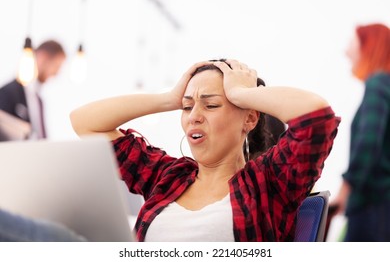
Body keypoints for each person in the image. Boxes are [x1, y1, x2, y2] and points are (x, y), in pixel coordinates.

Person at [70, 59, 340, 242]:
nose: (193, 117)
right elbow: (85, 124)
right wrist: (169, 99)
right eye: (187, 108)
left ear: (249, 119)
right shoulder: (166, 177)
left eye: (211, 106)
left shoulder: (268, 183)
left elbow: (317, 120)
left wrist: (243, 94)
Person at [330, 23, 390, 241]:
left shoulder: (378, 84)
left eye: (352, 44)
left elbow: (368, 142)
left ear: (369, 47)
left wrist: (345, 192)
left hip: (373, 205)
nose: (346, 52)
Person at [0, 39, 66, 140]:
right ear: (43, 57)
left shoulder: (39, 101)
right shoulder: (7, 92)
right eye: (57, 66)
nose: (56, 73)